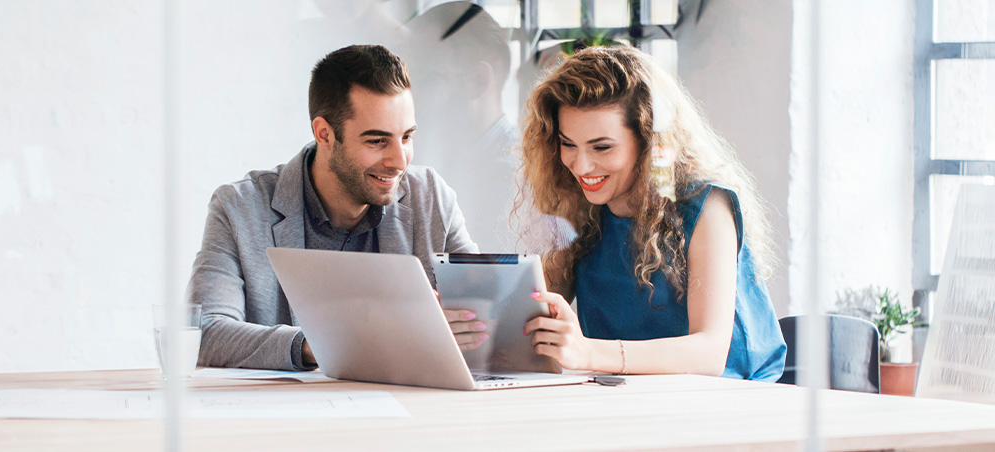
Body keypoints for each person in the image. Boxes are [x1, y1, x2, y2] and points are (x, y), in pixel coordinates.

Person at [187, 45, 486, 372]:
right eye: (377, 141)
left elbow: (482, 307)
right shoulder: (238, 209)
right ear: (325, 134)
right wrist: (332, 342)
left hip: (408, 412)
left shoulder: (430, 197)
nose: (400, 161)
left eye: (407, 137)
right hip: (289, 418)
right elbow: (204, 333)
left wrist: (537, 325)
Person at [518, 46, 786, 381]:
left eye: (602, 147)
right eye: (568, 144)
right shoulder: (578, 206)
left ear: (648, 141)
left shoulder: (708, 205)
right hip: (628, 398)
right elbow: (532, 313)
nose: (581, 166)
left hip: (733, 400)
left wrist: (588, 352)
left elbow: (709, 354)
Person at [403, 2, 521, 252]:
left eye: (424, 78)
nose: (405, 94)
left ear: (477, 81)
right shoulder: (437, 159)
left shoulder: (515, 182)